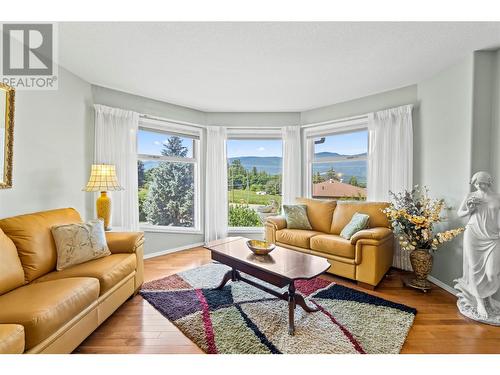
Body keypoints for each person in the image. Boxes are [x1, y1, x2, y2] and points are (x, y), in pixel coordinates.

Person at [456, 171, 500, 318]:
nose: (478, 186)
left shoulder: (497, 197)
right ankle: (481, 302)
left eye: (481, 183)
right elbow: (460, 213)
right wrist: (469, 209)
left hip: (492, 237)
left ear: (489, 182)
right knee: (475, 270)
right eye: (476, 183)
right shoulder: (471, 196)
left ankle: (489, 297)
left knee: (491, 274)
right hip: (473, 234)